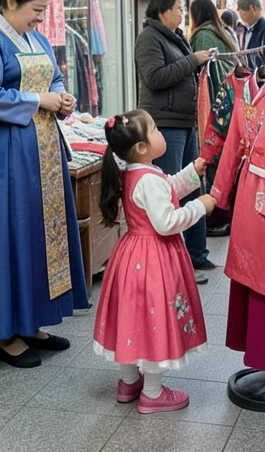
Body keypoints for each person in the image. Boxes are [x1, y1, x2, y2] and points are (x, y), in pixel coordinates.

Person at [0, 0, 89, 368]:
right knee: (10, 231)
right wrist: (39, 100)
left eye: (44, 11)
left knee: (39, 233)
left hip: (42, 149)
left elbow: (56, 76)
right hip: (3, 150)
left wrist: (63, 99)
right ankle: (5, 330)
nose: (40, 19)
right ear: (10, 3)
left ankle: (32, 321)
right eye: (36, 9)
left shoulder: (38, 39)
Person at [92, 109, 217, 414]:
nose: (161, 132)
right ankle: (152, 393)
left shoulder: (136, 172)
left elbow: (167, 189)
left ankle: (128, 382)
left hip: (130, 255)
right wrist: (200, 207)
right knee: (154, 322)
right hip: (154, 260)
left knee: (132, 319)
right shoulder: (149, 178)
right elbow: (166, 221)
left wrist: (191, 173)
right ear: (142, 148)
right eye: (155, 129)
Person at [136, 0, 219, 276]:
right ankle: (174, 262)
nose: (182, 13)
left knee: (192, 184)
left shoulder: (176, 36)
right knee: (170, 191)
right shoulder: (149, 38)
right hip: (165, 123)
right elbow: (155, 77)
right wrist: (192, 60)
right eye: (178, 8)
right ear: (162, 11)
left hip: (186, 122)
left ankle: (197, 254)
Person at [189, 0, 238, 237]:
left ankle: (217, 216)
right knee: (225, 157)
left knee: (212, 157)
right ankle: (226, 214)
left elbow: (205, 75)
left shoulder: (202, 35)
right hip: (232, 101)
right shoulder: (224, 33)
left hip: (215, 102)